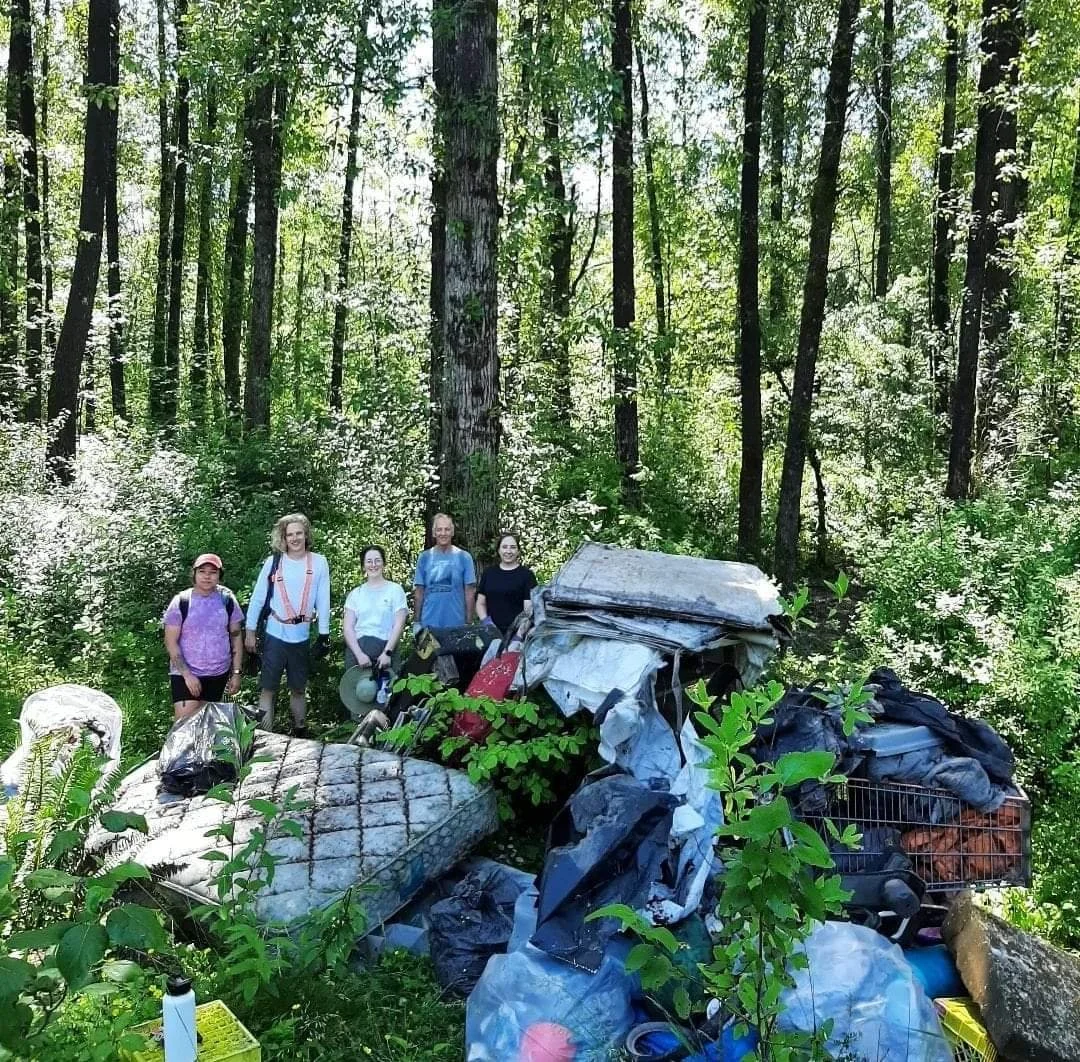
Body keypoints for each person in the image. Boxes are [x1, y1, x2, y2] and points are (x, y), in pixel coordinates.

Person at [244, 514, 331, 736]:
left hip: (301, 636)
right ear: (283, 537)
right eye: (290, 534)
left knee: (299, 688)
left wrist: (323, 634)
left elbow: (323, 598)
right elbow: (258, 597)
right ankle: (265, 737)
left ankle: (300, 732)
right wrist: (250, 631)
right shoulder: (274, 562)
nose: (295, 538)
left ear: (306, 535)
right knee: (268, 688)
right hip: (275, 632)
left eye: (299, 533)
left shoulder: (319, 562)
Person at [162, 553, 245, 721]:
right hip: (186, 673)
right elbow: (170, 642)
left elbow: (236, 637)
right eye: (202, 571)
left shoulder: (227, 600)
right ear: (194, 574)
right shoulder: (181, 602)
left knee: (208, 725)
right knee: (184, 726)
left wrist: (236, 673)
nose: (207, 576)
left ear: (219, 576)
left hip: (218, 674)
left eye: (213, 572)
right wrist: (187, 675)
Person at [343, 545, 408, 672]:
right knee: (360, 691)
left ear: (384, 563)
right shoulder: (355, 594)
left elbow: (399, 624)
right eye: (369, 561)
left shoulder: (395, 590)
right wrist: (359, 654)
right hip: (358, 653)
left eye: (377, 560)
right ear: (363, 565)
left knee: (388, 691)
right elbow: (348, 628)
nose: (373, 565)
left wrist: (387, 653)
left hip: (386, 650)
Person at [412, 513, 476, 630]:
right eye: (439, 530)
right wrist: (416, 622)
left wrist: (469, 622)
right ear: (434, 532)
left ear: (452, 532)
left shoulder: (464, 557)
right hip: (429, 625)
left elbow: (470, 592)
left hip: (457, 625)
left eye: (447, 529)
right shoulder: (424, 558)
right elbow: (419, 592)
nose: (443, 533)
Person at [475, 533, 537, 636]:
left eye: (513, 547)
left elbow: (529, 611)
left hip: (518, 634)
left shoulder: (527, 575)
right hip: (491, 633)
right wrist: (487, 623)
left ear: (518, 551)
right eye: (504, 547)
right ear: (499, 550)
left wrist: (518, 636)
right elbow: (480, 603)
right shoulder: (489, 573)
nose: (508, 551)